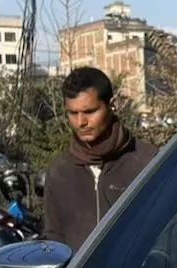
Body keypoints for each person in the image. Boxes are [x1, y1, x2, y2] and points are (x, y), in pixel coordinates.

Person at [42, 66, 155, 252]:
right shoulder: (59, 172)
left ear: (112, 104)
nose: (81, 122)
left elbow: (169, 233)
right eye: (73, 113)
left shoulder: (147, 163)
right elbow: (53, 241)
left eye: (90, 111)